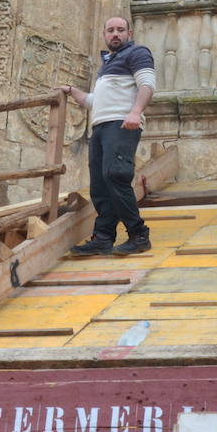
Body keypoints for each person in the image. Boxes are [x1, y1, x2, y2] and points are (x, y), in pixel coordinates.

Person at [56, 16, 157, 256]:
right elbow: (94, 101)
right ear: (104, 35)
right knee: (100, 185)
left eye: (120, 30)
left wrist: (135, 112)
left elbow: (147, 84)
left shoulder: (138, 53)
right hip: (101, 126)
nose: (115, 34)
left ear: (129, 34)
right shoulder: (107, 64)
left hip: (122, 124)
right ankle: (103, 237)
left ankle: (139, 234)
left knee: (116, 175)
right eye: (110, 30)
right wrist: (71, 91)